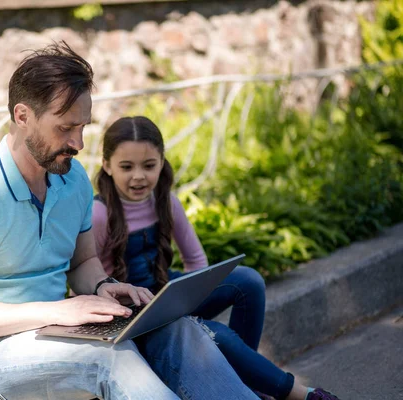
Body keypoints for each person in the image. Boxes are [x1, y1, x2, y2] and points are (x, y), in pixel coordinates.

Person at [0, 42, 259, 399]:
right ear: (22, 116)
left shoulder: (72, 181)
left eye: (83, 127)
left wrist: (103, 286)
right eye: (66, 128)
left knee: (179, 331)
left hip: (57, 330)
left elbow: (82, 262)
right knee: (109, 359)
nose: (79, 143)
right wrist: (58, 311)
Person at [92, 115, 341, 400]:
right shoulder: (99, 214)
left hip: (165, 294)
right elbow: (91, 284)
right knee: (215, 336)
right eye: (127, 167)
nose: (139, 176)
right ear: (107, 165)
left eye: (149, 166)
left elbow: (197, 263)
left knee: (248, 281)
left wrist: (185, 300)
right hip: (133, 319)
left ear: (162, 162)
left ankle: (247, 383)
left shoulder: (166, 202)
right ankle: (300, 395)